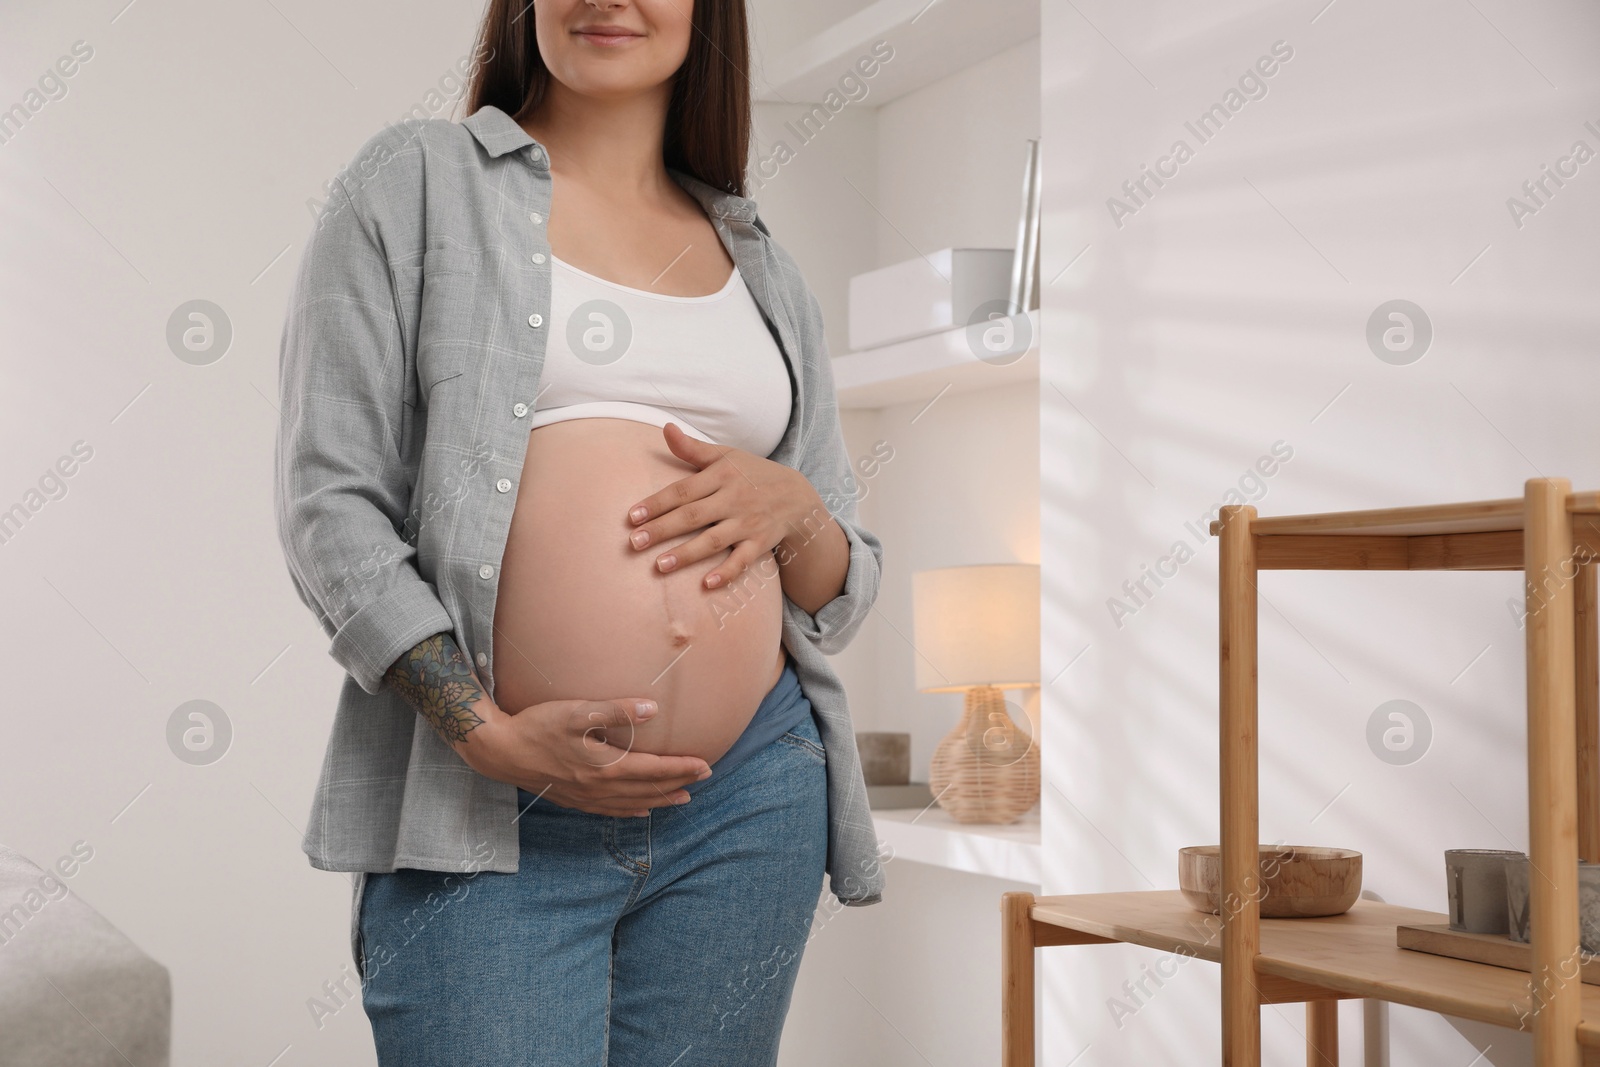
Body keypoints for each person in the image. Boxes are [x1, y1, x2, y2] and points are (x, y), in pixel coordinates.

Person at [272, 0, 888, 1062]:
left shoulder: (761, 261)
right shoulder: (416, 182)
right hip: (487, 808)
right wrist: (483, 732)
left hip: (744, 799)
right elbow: (330, 500)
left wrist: (797, 510)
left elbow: (841, 584)